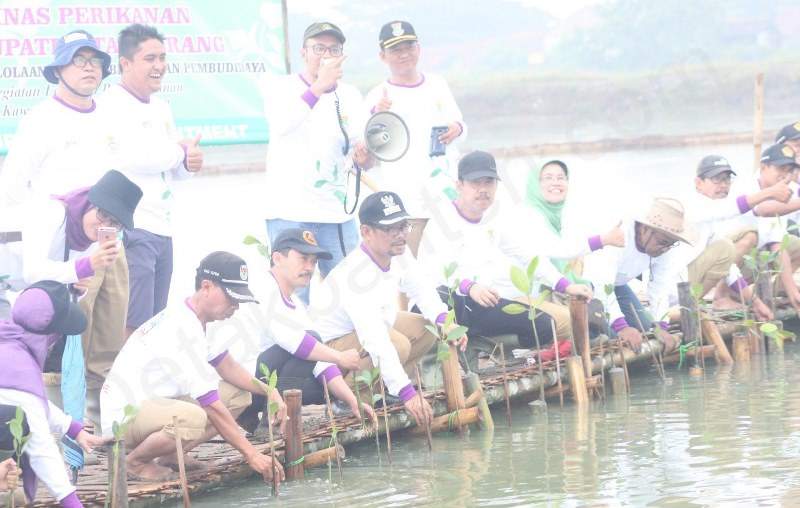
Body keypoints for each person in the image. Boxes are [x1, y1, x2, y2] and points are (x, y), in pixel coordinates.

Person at [0, 31, 130, 412]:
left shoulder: (109, 114)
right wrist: (44, 236)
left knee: (107, 340)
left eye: (95, 60)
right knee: (64, 342)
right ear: (58, 70)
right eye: (78, 59)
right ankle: (62, 426)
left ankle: (101, 424)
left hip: (107, 239)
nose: (89, 67)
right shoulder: (41, 121)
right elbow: (11, 188)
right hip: (60, 251)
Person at [100, 252, 285, 483]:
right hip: (124, 418)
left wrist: (269, 390)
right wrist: (252, 454)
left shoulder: (200, 318)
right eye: (232, 297)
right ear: (206, 286)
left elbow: (227, 366)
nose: (236, 306)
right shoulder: (181, 327)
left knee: (238, 395)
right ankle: (134, 463)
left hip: (157, 406)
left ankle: (171, 456)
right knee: (193, 417)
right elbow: (212, 406)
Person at [310, 191, 467, 427]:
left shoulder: (398, 253)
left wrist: (446, 320)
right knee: (397, 345)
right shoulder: (356, 276)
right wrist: (408, 393)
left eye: (403, 226)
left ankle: (384, 387)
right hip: (332, 351)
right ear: (365, 232)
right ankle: (347, 399)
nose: (401, 235)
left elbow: (422, 289)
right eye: (390, 229)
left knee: (427, 328)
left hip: (370, 332)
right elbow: (374, 339)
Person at [419, 151, 591, 350]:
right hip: (447, 301)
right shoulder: (439, 218)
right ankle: (471, 347)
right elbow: (435, 268)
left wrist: (565, 286)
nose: (483, 190)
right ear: (459, 185)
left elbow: (528, 256)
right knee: (449, 298)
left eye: (489, 182)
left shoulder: (495, 219)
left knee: (544, 326)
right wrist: (469, 286)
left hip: (482, 303)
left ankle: (492, 349)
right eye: (476, 183)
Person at [11, 170, 142, 431]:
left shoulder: (99, 239)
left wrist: (80, 285)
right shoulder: (53, 213)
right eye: (102, 214)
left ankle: (56, 433)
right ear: (88, 203)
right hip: (12, 285)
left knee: (48, 357)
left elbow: (70, 285)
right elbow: (32, 272)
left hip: (27, 299)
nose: (104, 224)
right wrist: (81, 269)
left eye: (115, 223)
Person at [97, 23, 204, 339]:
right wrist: (179, 151)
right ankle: (122, 385)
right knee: (132, 318)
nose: (159, 66)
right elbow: (135, 156)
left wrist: (190, 162)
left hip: (163, 227)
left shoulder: (161, 107)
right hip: (133, 227)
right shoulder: (111, 104)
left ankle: (145, 383)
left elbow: (172, 167)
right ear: (125, 63)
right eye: (149, 58)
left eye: (162, 58)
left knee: (154, 320)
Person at [262, 22, 372, 304]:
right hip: (291, 211)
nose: (326, 54)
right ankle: (297, 349)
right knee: (295, 298)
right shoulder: (281, 88)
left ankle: (347, 348)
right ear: (303, 52)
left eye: (333, 49)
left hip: (336, 213)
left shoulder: (350, 95)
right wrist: (319, 86)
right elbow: (282, 125)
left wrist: (366, 157)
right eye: (318, 48)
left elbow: (363, 152)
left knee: (352, 294)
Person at [233, 228, 375, 431]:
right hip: (238, 382)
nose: (310, 267)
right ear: (278, 258)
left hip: (260, 382)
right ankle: (270, 424)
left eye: (314, 261)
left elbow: (319, 363)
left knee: (324, 388)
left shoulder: (296, 304)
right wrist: (340, 357)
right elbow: (298, 344)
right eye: (303, 258)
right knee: (311, 342)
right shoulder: (264, 288)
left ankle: (258, 418)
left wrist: (352, 400)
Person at [0, 281, 109, 507]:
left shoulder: (8, 339)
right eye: (58, 334)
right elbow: (42, 449)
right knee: (15, 423)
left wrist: (73, 429)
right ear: (49, 335)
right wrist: (71, 502)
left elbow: (34, 405)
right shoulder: (17, 368)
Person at [365, 20, 467, 217]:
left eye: (409, 47)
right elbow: (367, 152)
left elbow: (461, 128)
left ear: (418, 49)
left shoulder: (437, 84)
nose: (404, 54)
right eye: (395, 50)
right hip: (405, 192)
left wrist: (458, 128)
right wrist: (377, 115)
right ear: (382, 56)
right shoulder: (376, 96)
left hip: (446, 185)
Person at [674, 155, 792, 320]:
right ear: (698, 183)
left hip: (687, 289)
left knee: (726, 249)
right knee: (731, 244)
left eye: (727, 180)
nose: (723, 185)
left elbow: (729, 269)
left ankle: (701, 301)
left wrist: (756, 303)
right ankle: (710, 301)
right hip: (674, 292)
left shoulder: (714, 219)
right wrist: (769, 192)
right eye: (716, 179)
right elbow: (732, 208)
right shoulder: (693, 204)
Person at [582, 197, 688, 352]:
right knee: (615, 340)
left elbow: (660, 287)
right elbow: (600, 284)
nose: (665, 249)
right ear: (644, 228)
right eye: (663, 242)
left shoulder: (666, 244)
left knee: (645, 329)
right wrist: (621, 327)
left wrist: (661, 326)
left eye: (671, 244)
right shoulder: (618, 233)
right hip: (585, 285)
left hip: (617, 285)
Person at [719, 144, 800, 311]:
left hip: (747, 264)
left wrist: (793, 291)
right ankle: (721, 296)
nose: (784, 175)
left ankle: (778, 291)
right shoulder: (746, 185)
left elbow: (777, 244)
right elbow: (763, 209)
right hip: (722, 260)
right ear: (763, 167)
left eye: (789, 171)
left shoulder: (782, 192)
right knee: (750, 237)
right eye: (780, 169)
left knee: (794, 245)